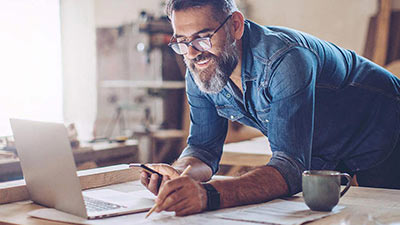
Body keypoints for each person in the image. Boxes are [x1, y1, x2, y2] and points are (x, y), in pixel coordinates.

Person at [140, 0, 400, 216]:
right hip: (330, 149)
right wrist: (180, 175)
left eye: (203, 38)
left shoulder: (285, 60)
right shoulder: (200, 68)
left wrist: (208, 196)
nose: (193, 52)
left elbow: (289, 167)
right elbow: (203, 150)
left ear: (235, 25)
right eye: (182, 41)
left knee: (387, 215)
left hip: (387, 127)